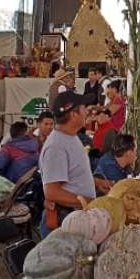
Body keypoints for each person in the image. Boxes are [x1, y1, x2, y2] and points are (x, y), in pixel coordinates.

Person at [39, 92, 97, 236]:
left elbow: (71, 174)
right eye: (84, 108)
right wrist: (88, 202)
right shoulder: (56, 147)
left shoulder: (70, 136)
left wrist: (96, 182)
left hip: (72, 217)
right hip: (64, 220)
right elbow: (52, 192)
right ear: (73, 114)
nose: (87, 112)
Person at [91, 80, 127, 151]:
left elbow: (108, 112)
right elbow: (104, 108)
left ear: (114, 89)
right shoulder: (113, 100)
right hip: (110, 127)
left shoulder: (119, 100)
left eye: (109, 88)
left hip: (115, 129)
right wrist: (93, 107)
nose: (108, 91)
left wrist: (93, 115)